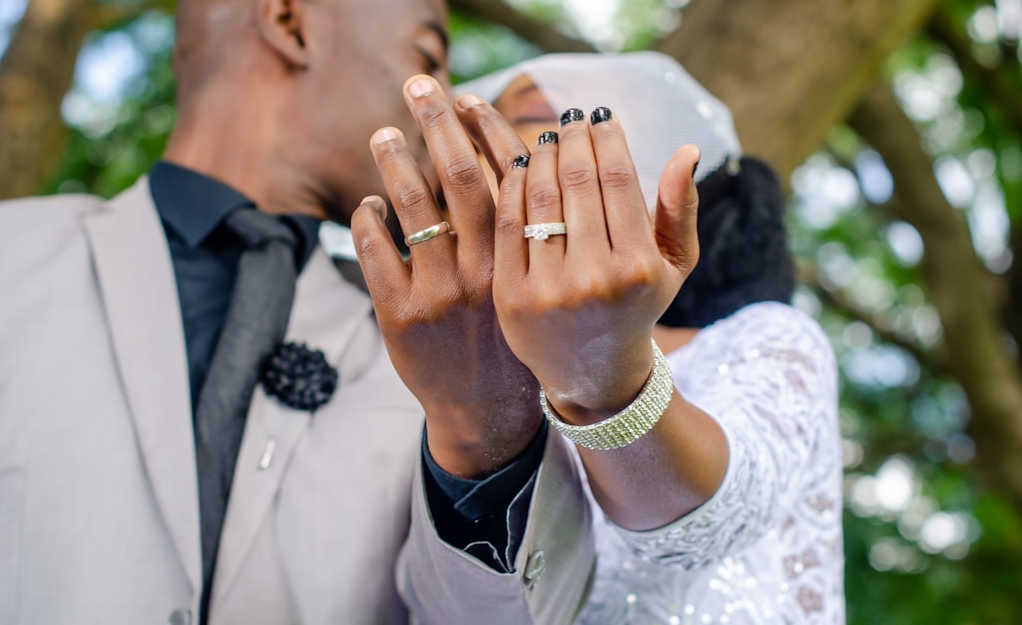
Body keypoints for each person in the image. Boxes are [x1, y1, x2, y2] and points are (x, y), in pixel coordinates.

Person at [0, 0, 591, 624]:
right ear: (289, 23)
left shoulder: (452, 339)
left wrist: (482, 424)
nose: (447, 97)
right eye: (428, 57)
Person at [353, 52, 844, 623]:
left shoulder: (762, 337)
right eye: (509, 122)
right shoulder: (416, 372)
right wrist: (469, 424)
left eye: (566, 118)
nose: (532, 97)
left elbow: (716, 521)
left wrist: (601, 376)